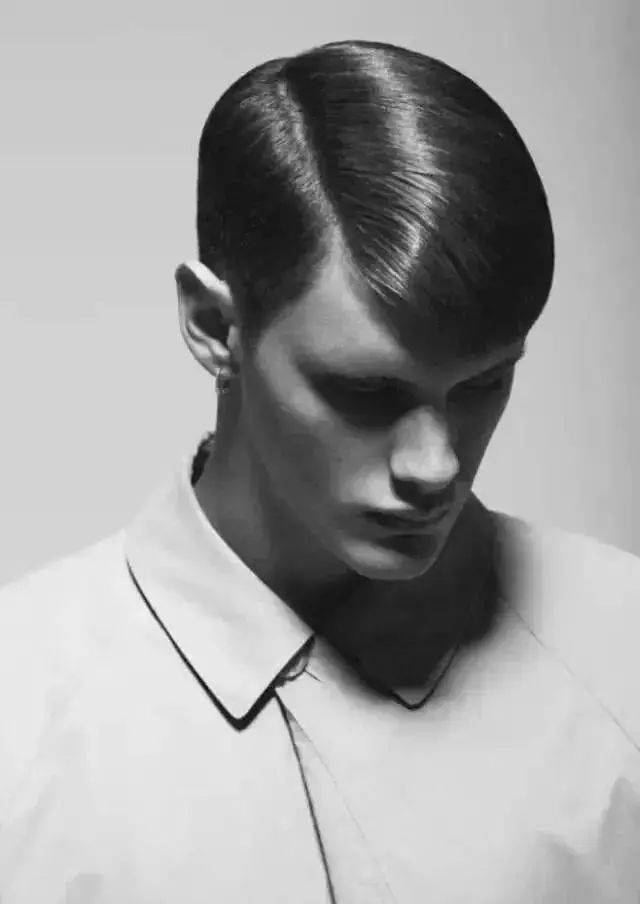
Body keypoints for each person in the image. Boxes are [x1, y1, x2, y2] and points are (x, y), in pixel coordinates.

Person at [0, 38, 638, 904]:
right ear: (214, 327)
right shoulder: (18, 720)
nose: (436, 465)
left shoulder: (623, 656)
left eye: (484, 384)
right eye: (367, 391)